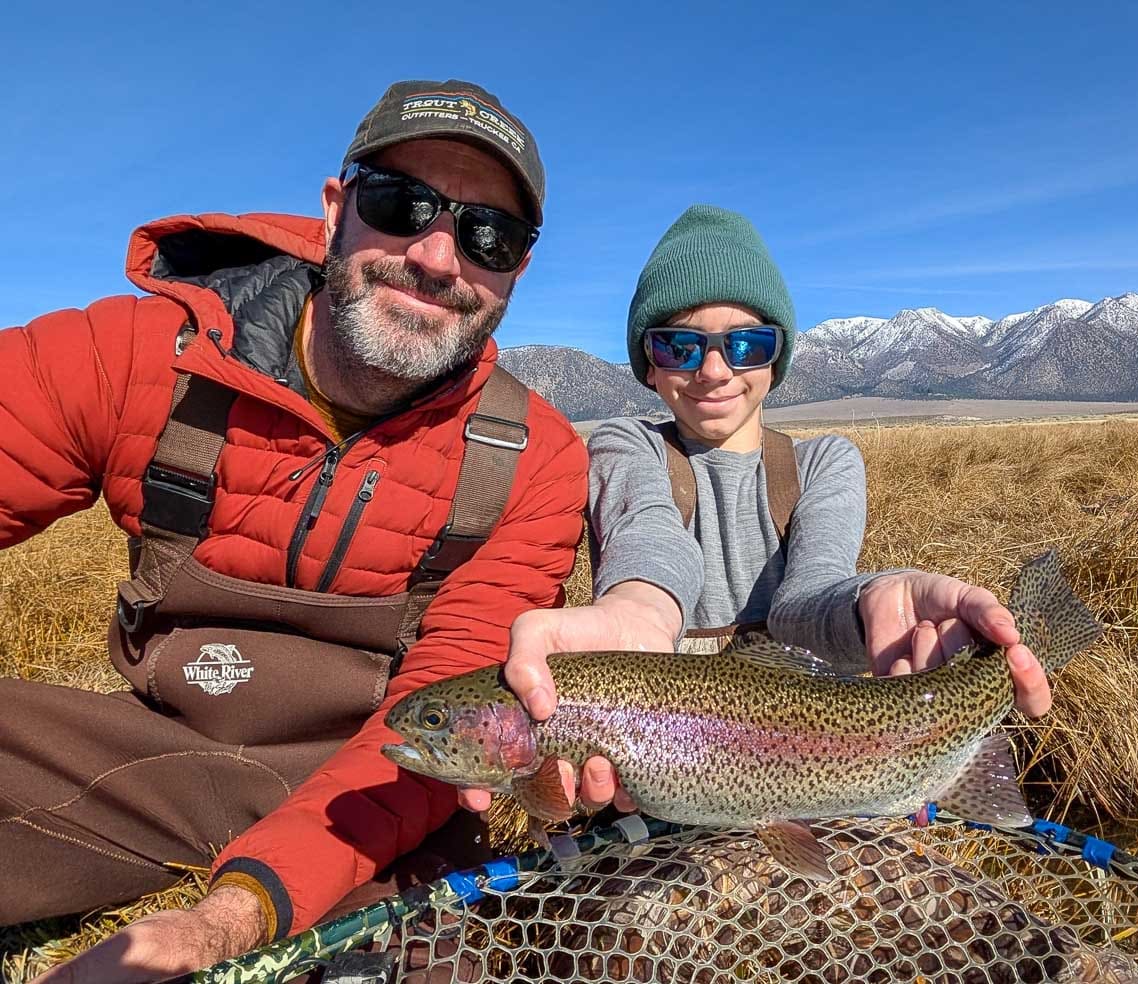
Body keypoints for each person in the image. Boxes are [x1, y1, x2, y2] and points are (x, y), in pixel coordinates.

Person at [3, 79, 588, 979]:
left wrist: (228, 921)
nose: (437, 256)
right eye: (402, 204)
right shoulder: (138, 356)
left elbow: (442, 701)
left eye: (488, 235)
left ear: (515, 270)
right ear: (334, 210)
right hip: (142, 754)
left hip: (385, 787)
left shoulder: (536, 462)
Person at [463, 204, 1051, 820]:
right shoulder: (624, 445)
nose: (714, 371)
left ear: (777, 355)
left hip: (826, 775)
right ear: (648, 361)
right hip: (657, 800)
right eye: (679, 345)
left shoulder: (825, 463)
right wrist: (635, 612)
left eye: (745, 343)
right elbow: (650, 547)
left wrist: (867, 600)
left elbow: (807, 599)